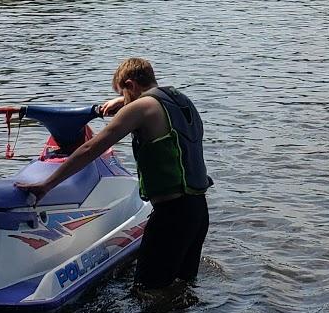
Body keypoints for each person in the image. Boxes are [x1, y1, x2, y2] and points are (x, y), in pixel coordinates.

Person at [17, 56, 211, 291]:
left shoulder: (141, 108)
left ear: (131, 85)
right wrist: (123, 99)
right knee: (182, 287)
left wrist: (47, 185)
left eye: (124, 91)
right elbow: (150, 102)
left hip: (171, 216)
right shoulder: (180, 100)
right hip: (197, 211)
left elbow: (91, 148)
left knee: (147, 292)